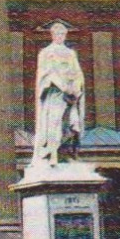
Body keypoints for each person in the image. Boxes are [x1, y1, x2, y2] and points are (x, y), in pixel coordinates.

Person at [32, 21, 85, 166]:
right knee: (53, 124)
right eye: (57, 33)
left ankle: (67, 155)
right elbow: (46, 74)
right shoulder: (46, 52)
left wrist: (76, 89)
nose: (60, 36)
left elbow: (78, 73)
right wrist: (64, 87)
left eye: (63, 34)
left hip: (71, 97)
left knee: (70, 125)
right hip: (54, 94)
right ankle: (52, 155)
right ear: (52, 35)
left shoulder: (70, 53)